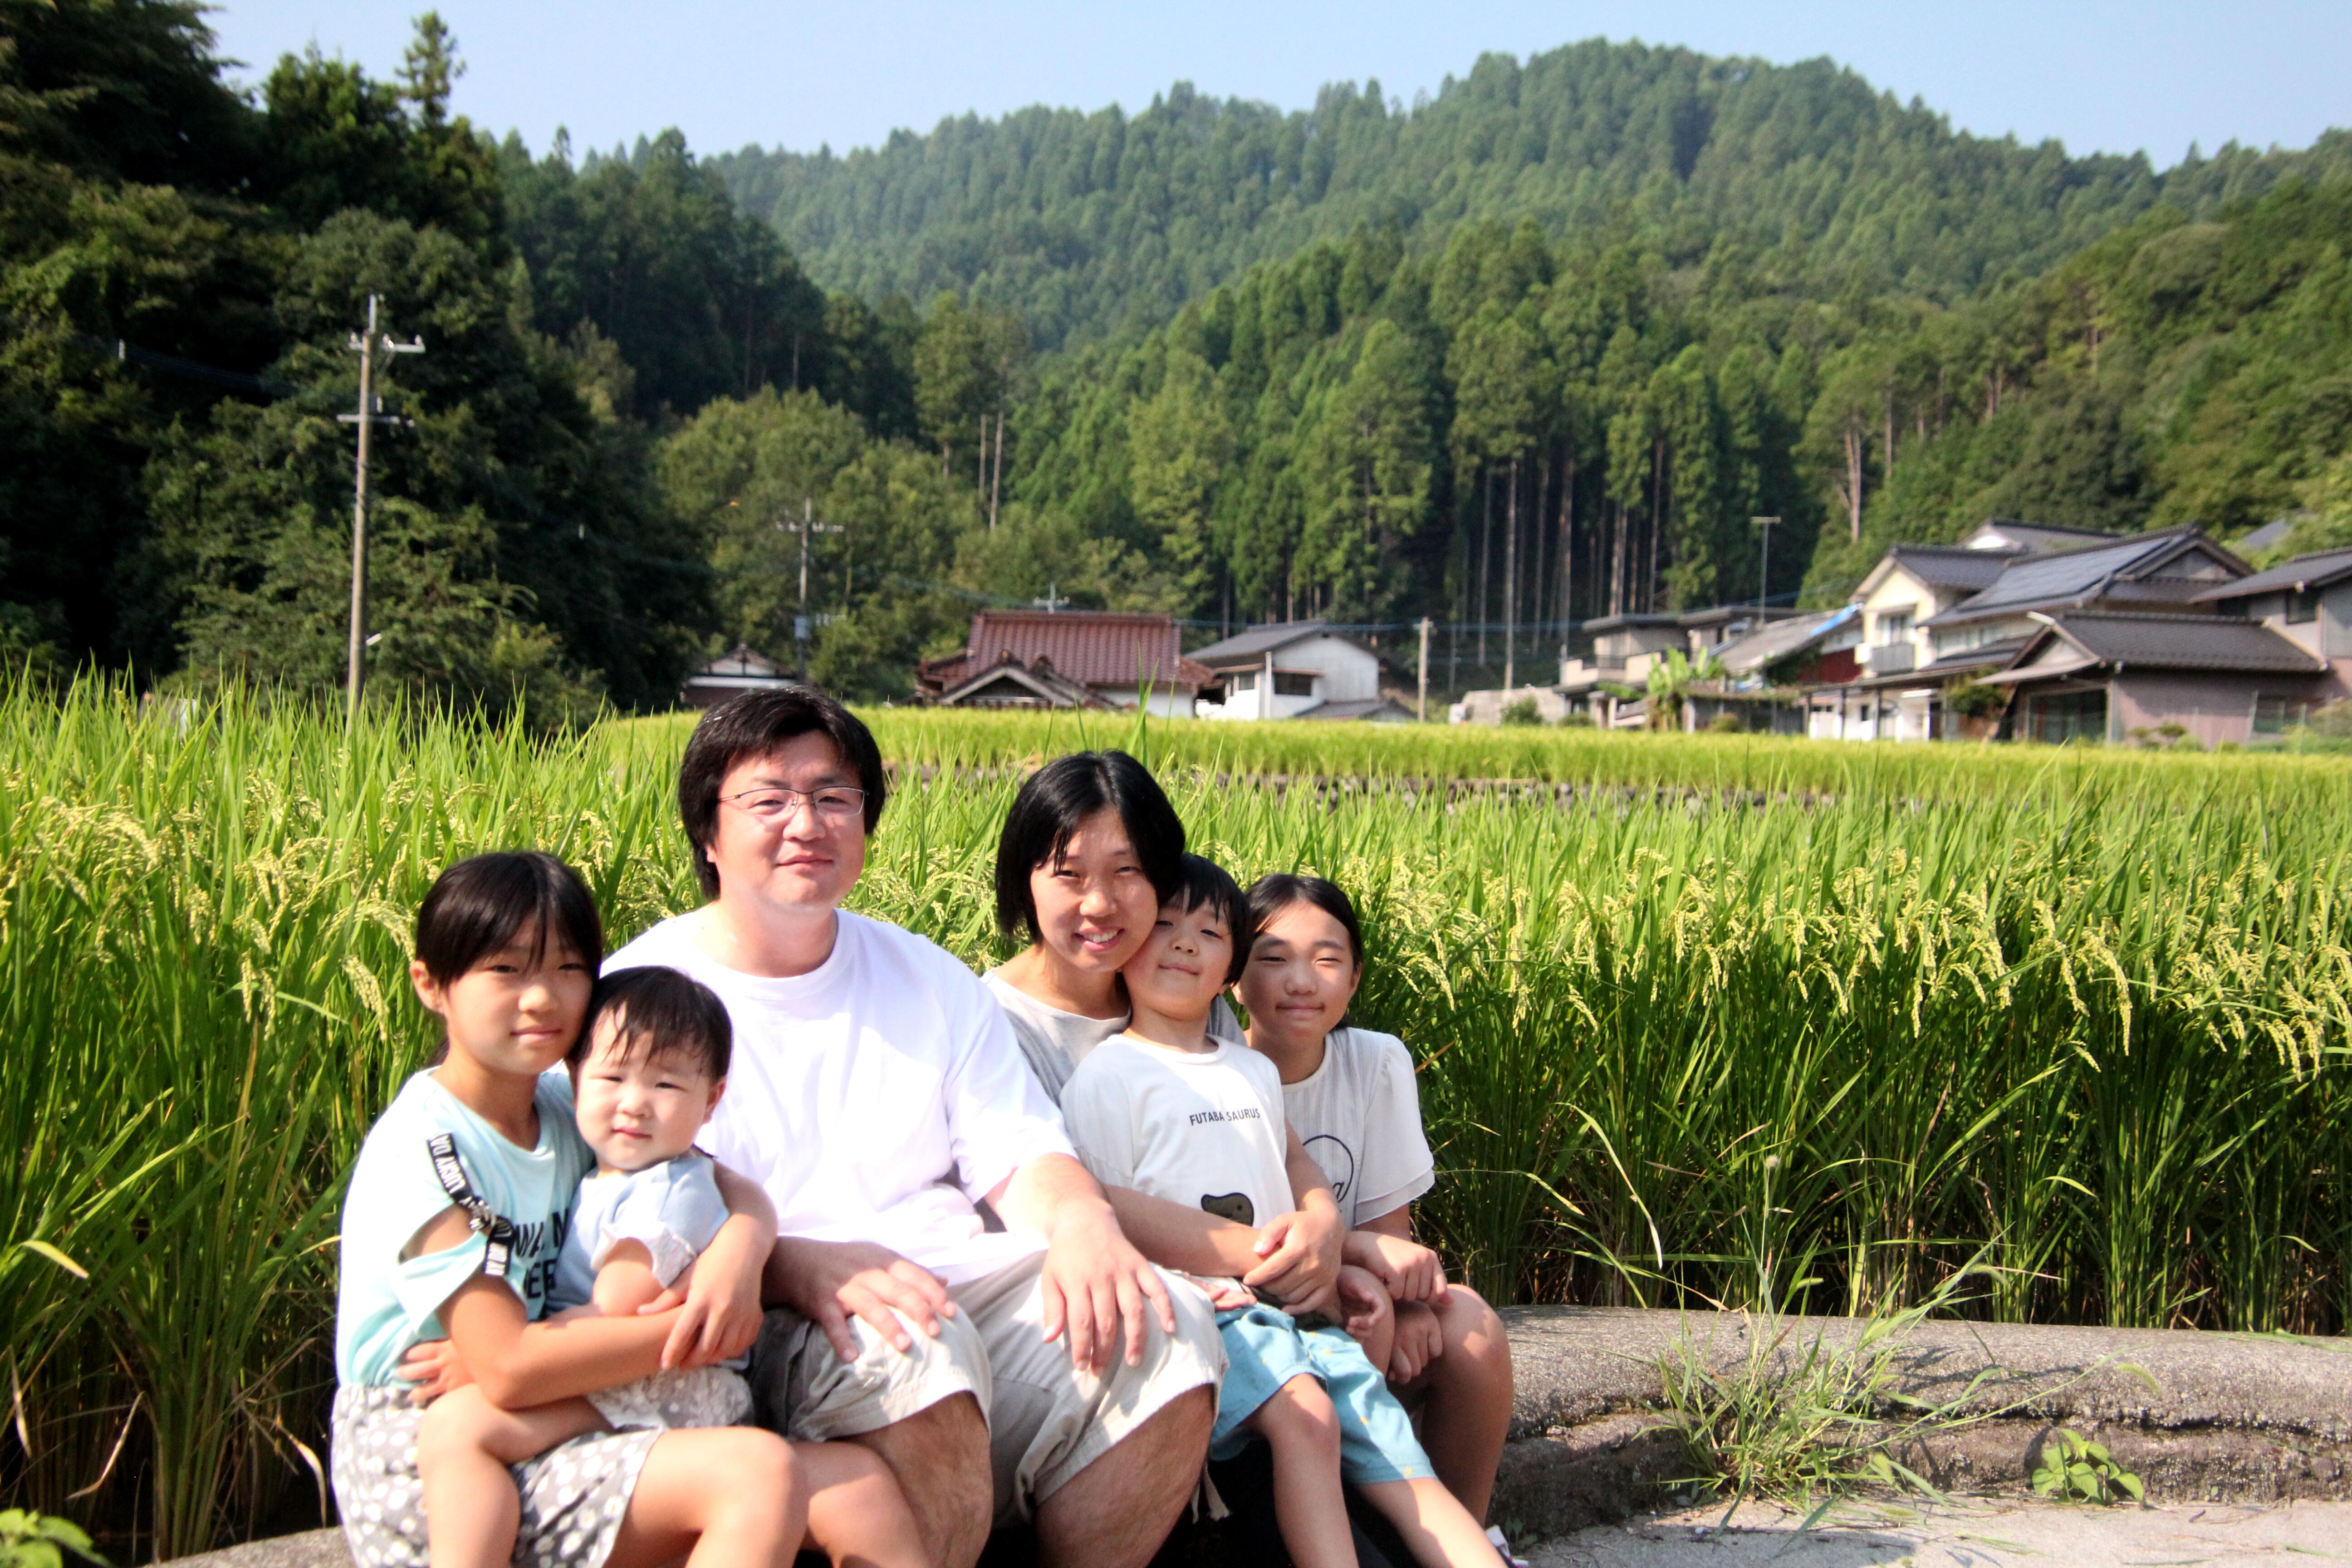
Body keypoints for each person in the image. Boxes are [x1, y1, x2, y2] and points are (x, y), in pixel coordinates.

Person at [602, 691, 1225, 1568]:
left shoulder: (925, 977)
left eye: (833, 797)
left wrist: (1087, 1225)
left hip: (946, 1288)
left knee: (1162, 1323)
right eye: (768, 799)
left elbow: (1020, 1151)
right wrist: (794, 1264)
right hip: (776, 1318)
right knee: (914, 1347)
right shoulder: (635, 995)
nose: (805, 822)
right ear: (708, 831)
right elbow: (622, 1219)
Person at [332, 852, 798, 1568]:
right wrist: (702, 1331)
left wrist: (743, 1247)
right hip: (430, 1442)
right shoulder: (425, 1151)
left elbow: (718, 1181)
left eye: (569, 970)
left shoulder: (562, 1106)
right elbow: (510, 1368)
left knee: (813, 1479)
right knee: (757, 1477)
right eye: (506, 970)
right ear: (432, 983)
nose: (543, 999)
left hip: (552, 1399)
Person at [1058, 855, 1506, 1568]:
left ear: (1227, 961)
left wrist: (1327, 1236)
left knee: (1386, 1439)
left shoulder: (1251, 1070)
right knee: (1311, 1417)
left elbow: (1297, 1165)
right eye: (1164, 926)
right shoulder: (1107, 1076)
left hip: (1294, 1306)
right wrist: (1274, 1257)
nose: (1182, 944)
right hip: (1210, 1308)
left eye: (1207, 932)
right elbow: (1108, 1208)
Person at [412, 962, 926, 1568]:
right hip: (657, 1379)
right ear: (572, 1078)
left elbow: (612, 1312)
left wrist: (485, 1359)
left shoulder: (662, 1193)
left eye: (666, 1087)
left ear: (712, 1100)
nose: (634, 1104)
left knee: (458, 1428)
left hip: (657, 1384)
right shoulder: (618, 1168)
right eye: (611, 1077)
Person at [982, 751, 1344, 1313]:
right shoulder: (991, 1025)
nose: (1100, 904)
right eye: (1069, 874)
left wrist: (1326, 1228)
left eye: (1128, 871)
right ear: (1023, 880)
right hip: (1102, 1302)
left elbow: (1277, 1147)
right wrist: (1269, 1256)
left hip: (1252, 1284)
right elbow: (1070, 1200)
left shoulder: (1179, 987)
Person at [1230, 873, 1520, 1561]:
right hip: (1263, 1306)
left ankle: (1462, 1536)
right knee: (1371, 1315)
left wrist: (1416, 1305)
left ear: (1355, 978)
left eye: (1327, 959)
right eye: (1272, 958)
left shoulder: (1376, 1062)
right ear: (1232, 974)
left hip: (1367, 1290)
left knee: (1471, 1328)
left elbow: (1396, 1235)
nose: (1301, 980)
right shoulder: (1217, 1072)